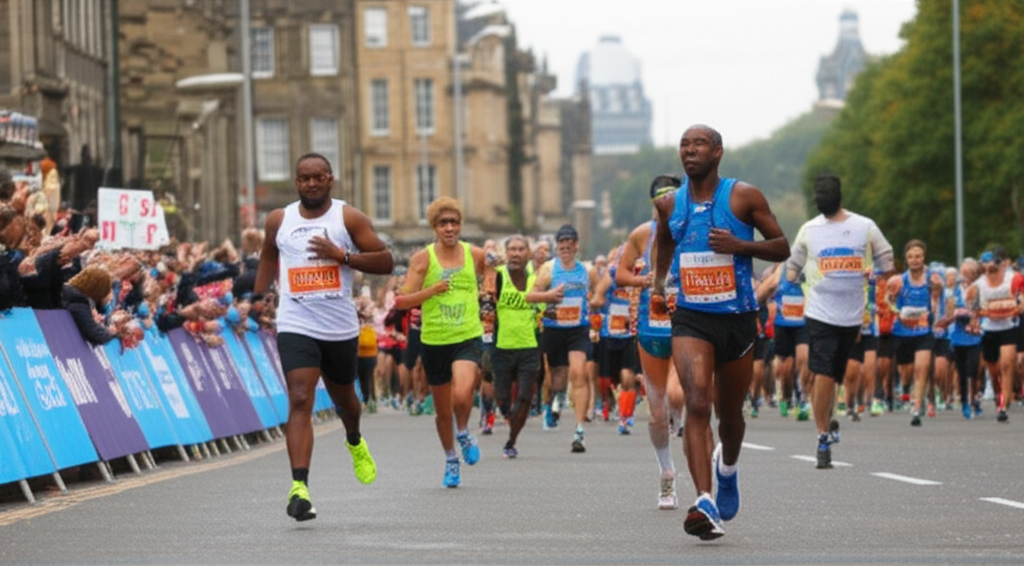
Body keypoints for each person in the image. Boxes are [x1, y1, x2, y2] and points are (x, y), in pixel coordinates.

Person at [652, 125, 790, 540]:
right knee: (696, 401)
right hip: (691, 317)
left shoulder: (743, 196)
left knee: (730, 416)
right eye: (683, 145)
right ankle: (705, 501)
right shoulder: (668, 204)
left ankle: (726, 469)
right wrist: (659, 285)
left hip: (737, 319)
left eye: (698, 145)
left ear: (717, 153)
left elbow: (782, 246)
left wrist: (739, 246)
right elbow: (665, 242)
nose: (689, 152)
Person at [253, 152, 394, 521]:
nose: (311, 184)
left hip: (339, 326)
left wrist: (342, 256)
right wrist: (258, 295)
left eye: (318, 178)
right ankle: (299, 487)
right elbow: (268, 256)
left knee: (345, 398)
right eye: (304, 178)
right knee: (300, 398)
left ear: (330, 179)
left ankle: (354, 438)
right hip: (296, 320)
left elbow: (385, 260)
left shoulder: (347, 217)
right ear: (296, 181)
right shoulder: (279, 219)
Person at [786, 174, 894, 469]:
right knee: (822, 369)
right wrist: (795, 280)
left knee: (835, 372)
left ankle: (827, 417)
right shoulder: (809, 229)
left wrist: (876, 273)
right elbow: (793, 265)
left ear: (837, 197)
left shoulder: (863, 226)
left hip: (852, 314)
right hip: (820, 311)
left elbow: (887, 259)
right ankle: (822, 435)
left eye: (825, 196)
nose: (821, 201)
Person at [395, 197, 489, 487]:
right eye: (443, 223)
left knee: (463, 395)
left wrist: (487, 293)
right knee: (442, 411)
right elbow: (402, 300)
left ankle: (463, 432)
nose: (450, 228)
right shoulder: (423, 259)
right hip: (435, 339)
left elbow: (488, 278)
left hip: (467, 335)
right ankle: (450, 459)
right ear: (434, 227)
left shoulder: (475, 255)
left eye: (454, 222)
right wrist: (431, 290)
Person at [616, 174, 686, 510]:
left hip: (685, 328)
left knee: (677, 394)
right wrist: (645, 280)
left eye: (674, 196)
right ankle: (666, 473)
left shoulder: (691, 231)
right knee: (656, 414)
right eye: (662, 198)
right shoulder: (641, 235)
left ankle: (685, 420)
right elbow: (620, 275)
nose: (667, 203)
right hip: (650, 330)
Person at [527, 224, 598, 453]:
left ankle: (579, 431)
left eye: (570, 245)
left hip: (578, 329)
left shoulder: (588, 271)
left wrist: (594, 306)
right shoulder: (549, 269)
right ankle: (554, 399)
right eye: (562, 245)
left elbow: (599, 293)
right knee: (556, 378)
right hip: (554, 329)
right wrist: (548, 296)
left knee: (579, 373)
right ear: (557, 247)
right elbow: (532, 295)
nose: (565, 249)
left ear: (576, 246)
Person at [491, 236, 540, 458]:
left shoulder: (536, 278)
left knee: (524, 396)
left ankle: (511, 441)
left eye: (521, 249)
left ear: (528, 253)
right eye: (512, 249)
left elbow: (541, 304)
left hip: (528, 345)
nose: (516, 253)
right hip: (502, 345)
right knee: (501, 396)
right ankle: (509, 416)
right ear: (506, 252)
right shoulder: (499, 276)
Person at [967, 247, 1023, 423]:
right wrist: (975, 318)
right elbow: (973, 308)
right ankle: (999, 392)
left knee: (1007, 364)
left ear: (1002, 264)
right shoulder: (978, 285)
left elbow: (1021, 298)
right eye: (986, 265)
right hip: (989, 329)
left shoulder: (1014, 278)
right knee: (993, 368)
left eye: (993, 265)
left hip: (1009, 327)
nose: (989, 269)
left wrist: (1019, 307)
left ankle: (1003, 406)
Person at [886, 240, 934, 427]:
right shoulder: (898, 281)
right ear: (906, 259)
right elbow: (887, 302)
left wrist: (938, 318)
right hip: (902, 331)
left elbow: (942, 302)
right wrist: (899, 313)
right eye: (911, 257)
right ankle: (906, 388)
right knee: (906, 372)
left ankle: (915, 407)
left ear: (924, 258)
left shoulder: (933, 279)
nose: (915, 260)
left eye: (919, 256)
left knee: (922, 369)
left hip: (924, 331)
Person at [950, 258, 982, 419]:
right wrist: (956, 312)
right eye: (964, 271)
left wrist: (974, 316)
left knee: (973, 369)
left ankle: (974, 399)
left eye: (970, 272)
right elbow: (949, 309)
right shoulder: (955, 290)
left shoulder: (980, 289)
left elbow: (983, 308)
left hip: (975, 335)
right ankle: (964, 402)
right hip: (958, 335)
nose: (967, 275)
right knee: (962, 371)